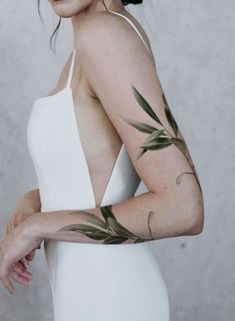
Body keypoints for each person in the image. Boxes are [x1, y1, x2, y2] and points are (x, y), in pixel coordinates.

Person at [0, 0, 204, 320]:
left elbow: (183, 209)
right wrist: (33, 202)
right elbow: (95, 177)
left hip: (110, 297)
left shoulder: (103, 35)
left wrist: (39, 226)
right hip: (87, 291)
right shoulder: (95, 38)